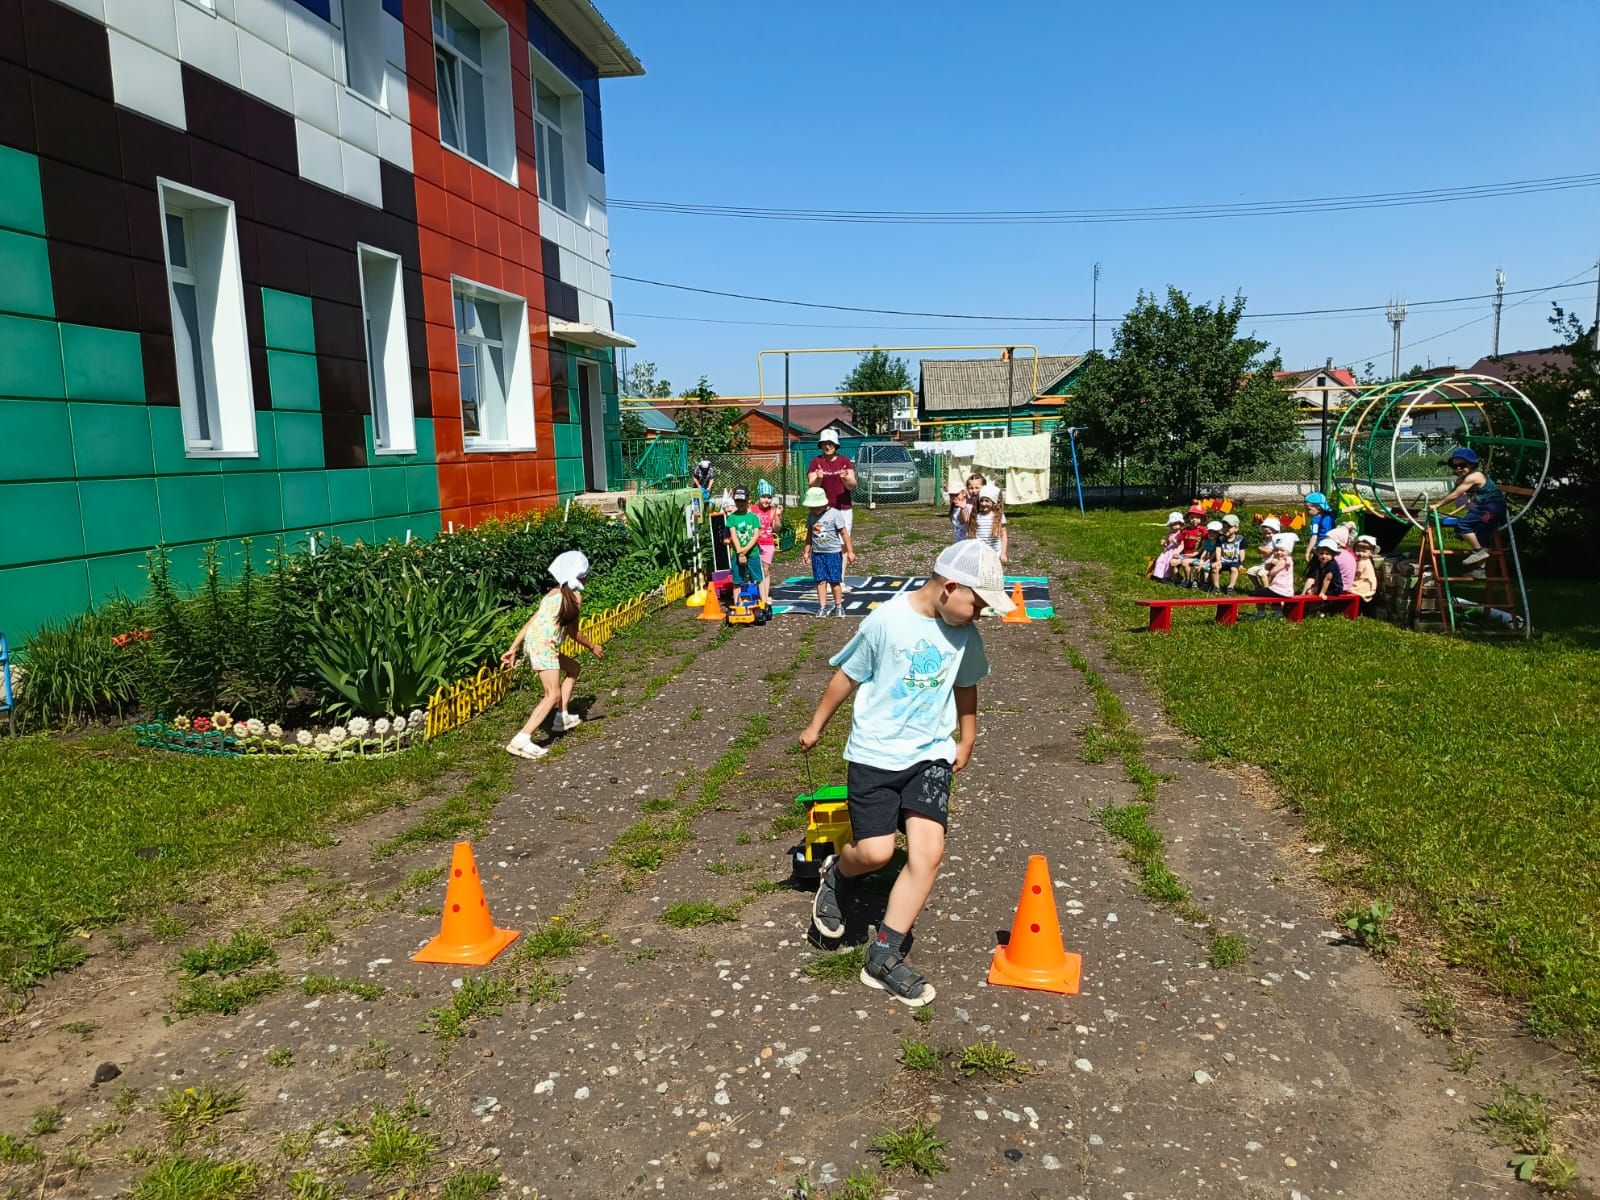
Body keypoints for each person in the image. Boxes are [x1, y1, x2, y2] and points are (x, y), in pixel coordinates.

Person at [799, 539, 1012, 1007]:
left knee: (928, 852)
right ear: (949, 587)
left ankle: (883, 955)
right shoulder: (885, 622)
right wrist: (816, 725)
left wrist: (967, 737)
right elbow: (847, 676)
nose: (978, 615)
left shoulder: (965, 636)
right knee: (875, 853)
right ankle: (836, 873)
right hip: (875, 755)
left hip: (929, 755)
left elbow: (966, 684)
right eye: (976, 604)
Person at [501, 550, 604, 760]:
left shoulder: (553, 593)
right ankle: (521, 739)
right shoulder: (575, 597)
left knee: (573, 668)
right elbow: (573, 633)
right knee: (552, 695)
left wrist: (514, 647)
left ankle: (561, 717)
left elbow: (532, 622)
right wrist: (592, 646)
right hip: (544, 646)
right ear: (582, 576)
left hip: (537, 643)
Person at [1434, 447, 1506, 566]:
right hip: (1490, 509)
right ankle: (1480, 570)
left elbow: (1455, 494)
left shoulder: (1475, 476)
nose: (1458, 468)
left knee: (1463, 524)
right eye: (1455, 466)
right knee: (1481, 537)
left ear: (1471, 464)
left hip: (1491, 508)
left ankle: (1479, 552)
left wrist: (1437, 505)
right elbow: (1456, 495)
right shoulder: (1465, 479)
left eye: (1462, 465)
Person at [802, 484, 854, 617]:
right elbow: (809, 536)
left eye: (816, 507)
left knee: (835, 581)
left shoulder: (835, 514)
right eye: (811, 508)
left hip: (833, 553)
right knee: (820, 581)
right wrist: (807, 551)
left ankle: (838, 605)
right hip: (818, 554)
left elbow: (844, 533)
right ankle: (822, 607)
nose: (813, 510)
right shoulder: (811, 516)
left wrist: (850, 551)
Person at [806, 428, 858, 532]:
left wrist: (845, 478)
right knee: (824, 538)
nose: (827, 446)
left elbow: (852, 486)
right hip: (822, 508)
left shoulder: (844, 461)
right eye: (824, 443)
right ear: (821, 445)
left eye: (830, 443)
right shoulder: (816, 462)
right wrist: (818, 479)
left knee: (844, 539)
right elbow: (812, 487)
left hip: (843, 507)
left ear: (836, 444)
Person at [726, 486, 764, 601]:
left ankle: (763, 601)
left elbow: (756, 535)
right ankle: (738, 603)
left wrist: (745, 550)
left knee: (758, 578)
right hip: (737, 554)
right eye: (738, 500)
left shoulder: (753, 518)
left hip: (752, 553)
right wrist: (740, 553)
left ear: (748, 500)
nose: (740, 503)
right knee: (737, 580)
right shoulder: (732, 517)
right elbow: (733, 535)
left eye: (743, 500)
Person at [754, 479, 783, 607]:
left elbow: (776, 528)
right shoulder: (753, 510)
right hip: (754, 543)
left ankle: (765, 595)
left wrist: (778, 517)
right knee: (755, 569)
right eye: (764, 497)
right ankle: (758, 594)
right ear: (759, 496)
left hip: (767, 543)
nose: (767, 500)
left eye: (769, 497)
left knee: (765, 570)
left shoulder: (772, 511)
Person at [966, 483, 1008, 561]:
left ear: (994, 502)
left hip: (995, 553)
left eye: (987, 501)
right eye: (981, 500)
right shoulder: (976, 515)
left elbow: (1003, 535)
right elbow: (971, 533)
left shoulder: (999, 516)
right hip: (980, 552)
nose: (983, 503)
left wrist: (1003, 553)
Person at [1302, 536, 1345, 612]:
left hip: (1334, 588)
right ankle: (1307, 608)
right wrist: (1315, 586)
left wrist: (1322, 593)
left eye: (1327, 554)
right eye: (1321, 553)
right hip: (1325, 586)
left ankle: (1319, 609)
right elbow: (1317, 574)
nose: (1324, 556)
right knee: (1309, 591)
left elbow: (1327, 579)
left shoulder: (1332, 564)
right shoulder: (1320, 563)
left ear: (1333, 555)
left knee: (1320, 596)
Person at [1175, 504, 1207, 588]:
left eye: (1197, 517)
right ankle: (1176, 578)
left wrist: (1194, 554)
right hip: (1185, 554)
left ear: (1202, 519)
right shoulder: (1185, 530)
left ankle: (1187, 581)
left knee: (1185, 562)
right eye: (1192, 517)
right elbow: (1182, 544)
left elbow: (1203, 545)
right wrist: (1177, 552)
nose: (1193, 520)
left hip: (1197, 556)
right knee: (1173, 562)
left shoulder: (1202, 530)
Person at [1150, 512, 1184, 583]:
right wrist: (1164, 542)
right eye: (1172, 525)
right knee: (1160, 560)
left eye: (1176, 524)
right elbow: (1166, 541)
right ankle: (1160, 575)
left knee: (1168, 562)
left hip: (1175, 550)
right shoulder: (1170, 533)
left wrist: (1175, 543)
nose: (1173, 526)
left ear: (1180, 524)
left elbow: (1181, 544)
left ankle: (1168, 577)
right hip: (1167, 550)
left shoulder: (1181, 533)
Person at [1216, 514, 1245, 594]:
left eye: (1228, 527)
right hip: (1222, 560)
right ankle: (1216, 587)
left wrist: (1241, 563)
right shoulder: (1220, 538)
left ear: (1236, 528)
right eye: (1224, 526)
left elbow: (1242, 551)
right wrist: (1218, 561)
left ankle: (1231, 587)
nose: (1225, 529)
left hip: (1234, 561)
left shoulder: (1240, 539)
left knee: (1234, 569)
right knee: (1215, 568)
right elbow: (1218, 549)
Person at [1351, 533, 1380, 613]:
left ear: (1370, 552)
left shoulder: (1362, 562)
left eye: (1364, 551)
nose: (1360, 553)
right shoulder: (1367, 560)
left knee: (1349, 588)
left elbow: (1357, 575)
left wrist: (1351, 580)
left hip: (1363, 584)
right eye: (1358, 550)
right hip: (1368, 582)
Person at [1303, 492, 1335, 563]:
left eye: (1308, 509)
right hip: (1332, 545)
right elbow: (1346, 510)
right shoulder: (1332, 514)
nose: (1305, 512)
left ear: (1318, 509)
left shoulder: (1315, 520)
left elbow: (1314, 536)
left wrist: (1307, 551)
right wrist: (1361, 505)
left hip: (1320, 547)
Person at [1199, 520, 1225, 592]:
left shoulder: (1218, 542)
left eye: (1214, 532)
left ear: (1218, 533)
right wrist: (1202, 559)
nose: (1211, 534)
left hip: (1216, 559)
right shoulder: (1208, 541)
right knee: (1202, 567)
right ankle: (1203, 582)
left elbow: (1214, 554)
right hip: (1210, 560)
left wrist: (1207, 561)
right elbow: (1205, 551)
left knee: (1207, 567)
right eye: (1210, 532)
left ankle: (1207, 583)